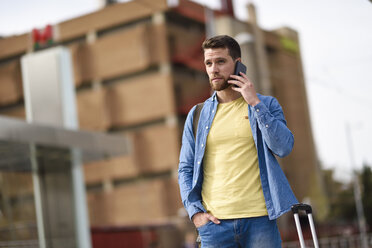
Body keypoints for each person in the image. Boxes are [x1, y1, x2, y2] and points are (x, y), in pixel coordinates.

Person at [178, 35, 298, 247]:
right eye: (208, 63)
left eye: (221, 61)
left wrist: (255, 103)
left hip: (260, 220)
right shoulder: (197, 115)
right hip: (214, 225)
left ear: (238, 63)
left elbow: (284, 147)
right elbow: (185, 168)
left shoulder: (266, 105)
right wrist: (196, 213)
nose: (214, 69)